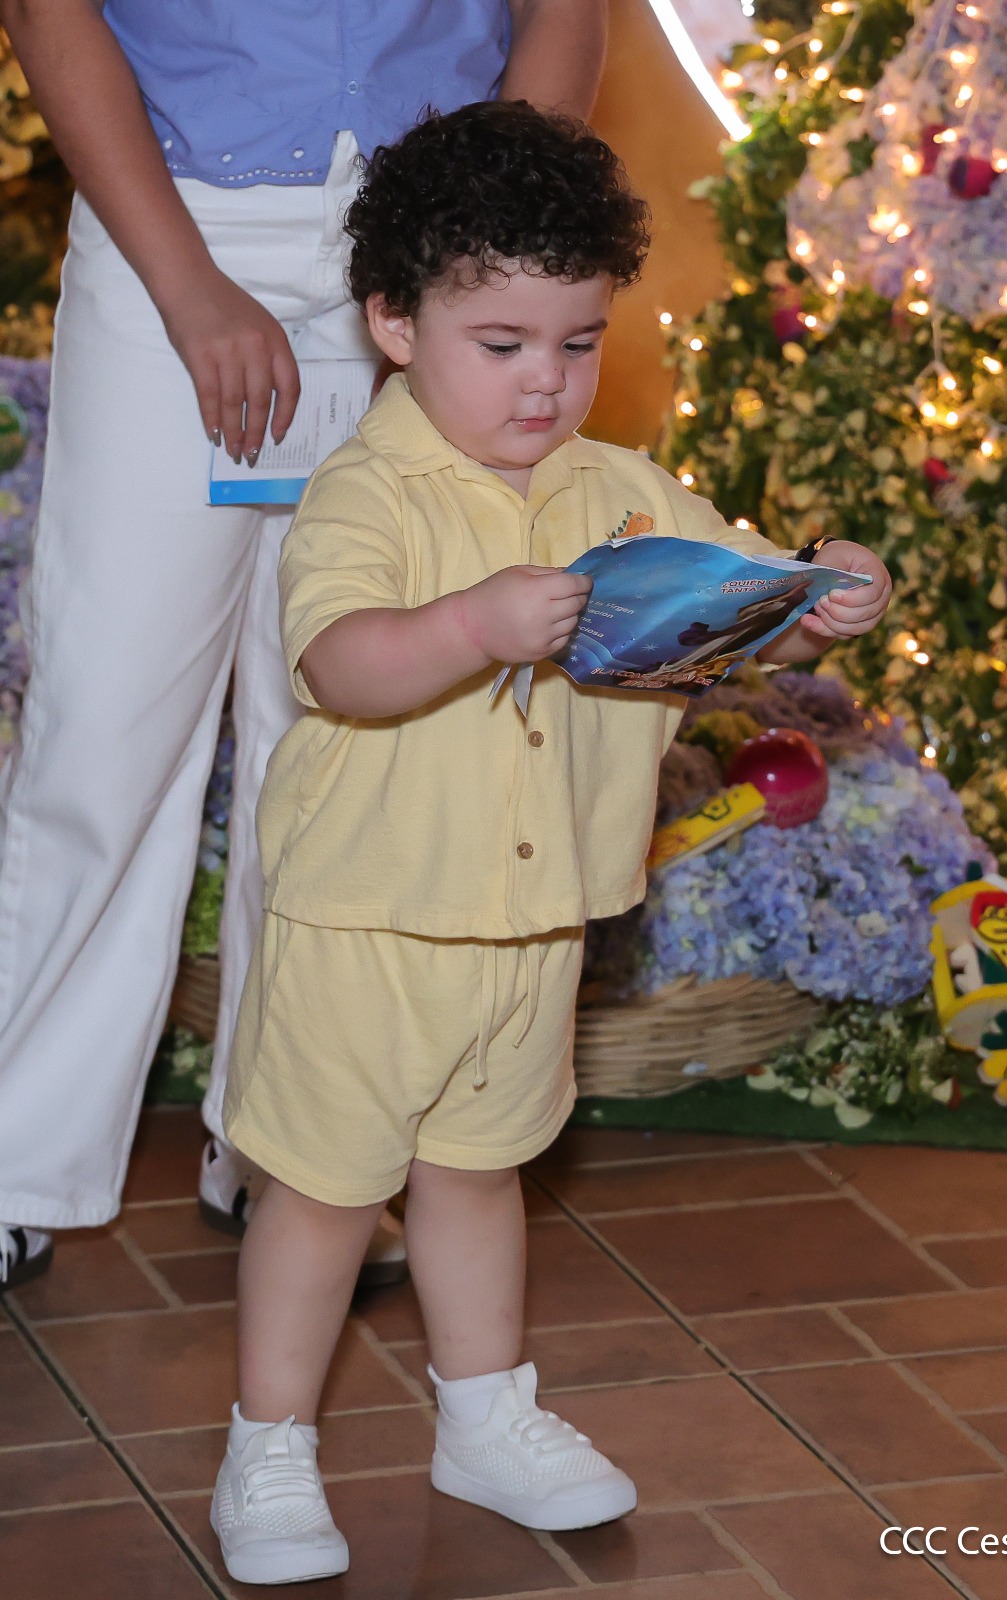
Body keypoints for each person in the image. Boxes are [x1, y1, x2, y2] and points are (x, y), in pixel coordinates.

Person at [208, 100, 892, 1585]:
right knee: (325, 1192)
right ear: (396, 324)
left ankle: (485, 1418)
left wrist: (825, 595)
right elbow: (341, 665)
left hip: (530, 927)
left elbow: (741, 610)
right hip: (369, 917)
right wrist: (470, 624)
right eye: (502, 343)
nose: (546, 381)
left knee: (478, 1171)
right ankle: (270, 1442)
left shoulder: (619, 490)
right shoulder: (366, 490)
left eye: (577, 343)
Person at [0, 0, 606, 1292]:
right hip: (176, 217)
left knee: (347, 737)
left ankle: (291, 1148)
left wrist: (474, 284)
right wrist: (188, 288)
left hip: (429, 241)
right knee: (107, 725)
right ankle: (14, 1158)